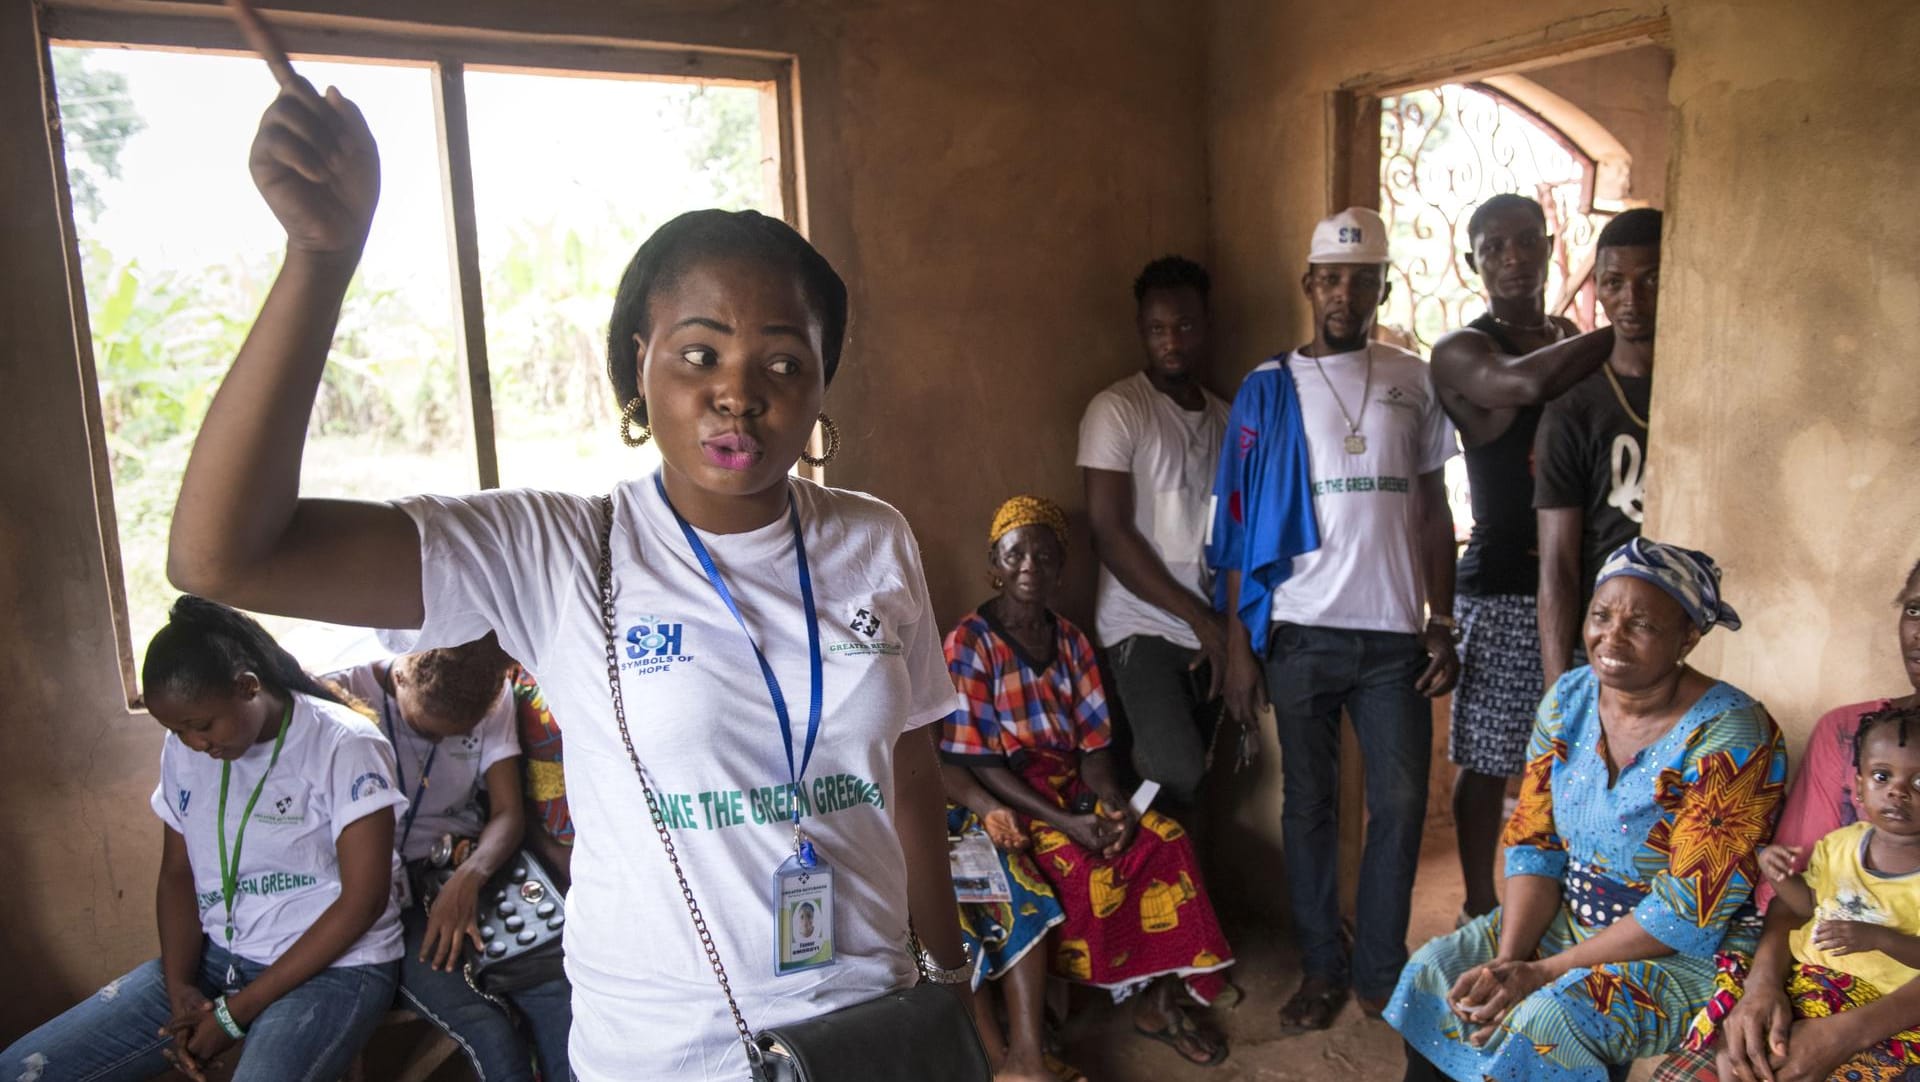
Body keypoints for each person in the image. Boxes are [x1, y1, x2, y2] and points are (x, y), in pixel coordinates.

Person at [164, 79, 970, 1081]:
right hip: (674, 1048)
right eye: (700, 352)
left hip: (872, 1022)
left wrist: (947, 976)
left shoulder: (876, 539)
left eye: (783, 362)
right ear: (641, 364)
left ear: (819, 383)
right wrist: (319, 262)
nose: (738, 392)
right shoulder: (559, 549)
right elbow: (224, 553)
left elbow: (912, 770)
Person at [1387, 539, 1788, 1082]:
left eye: (1641, 623)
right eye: (1601, 615)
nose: (1611, 636)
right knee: (1437, 972)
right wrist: (1511, 961)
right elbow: (1535, 843)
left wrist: (1541, 974)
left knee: (1547, 1019)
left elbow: (1688, 909)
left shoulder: (1733, 734)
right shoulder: (1569, 697)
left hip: (1680, 954)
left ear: (1688, 637)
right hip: (1567, 919)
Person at [1210, 206, 1461, 1028]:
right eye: (1332, 276)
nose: (1345, 291)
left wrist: (1441, 621)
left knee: (1396, 804)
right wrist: (1240, 645)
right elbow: (1238, 522)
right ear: (1310, 284)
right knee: (1308, 808)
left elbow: (1432, 508)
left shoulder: (1413, 377)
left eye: (1363, 277)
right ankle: (1323, 966)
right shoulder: (1266, 387)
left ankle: (1380, 972)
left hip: (1394, 636)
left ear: (1381, 285)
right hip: (1300, 629)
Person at [0, 596, 404, 1082]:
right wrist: (180, 988)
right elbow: (177, 874)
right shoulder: (185, 751)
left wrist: (234, 1015)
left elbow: (364, 901)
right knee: (20, 1070)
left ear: (247, 686)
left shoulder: (344, 744)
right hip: (223, 961)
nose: (195, 744)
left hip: (335, 969)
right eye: (177, 730)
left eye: (202, 726)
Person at [943, 496, 1235, 1068]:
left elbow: (1095, 751)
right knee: (1067, 863)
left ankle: (1160, 1001)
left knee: (1165, 842)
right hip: (1007, 794)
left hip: (1069, 787)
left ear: (1060, 569)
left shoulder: (1073, 642)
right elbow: (979, 762)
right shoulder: (970, 643)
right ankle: (1040, 1023)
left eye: (1044, 556)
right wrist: (1067, 823)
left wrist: (1108, 801)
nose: (1030, 565)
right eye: (1015, 553)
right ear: (994, 564)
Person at [1649, 558, 1920, 1082]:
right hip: (1814, 982)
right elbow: (1795, 903)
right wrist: (1762, 991)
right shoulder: (1849, 734)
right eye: (1915, 608)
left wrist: (1842, 1035)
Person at [1428, 193, 1617, 921]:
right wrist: (1626, 329)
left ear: (1547, 247)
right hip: (1503, 584)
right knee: (1490, 759)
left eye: (1525, 242)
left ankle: (1565, 901)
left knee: (1577, 757)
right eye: (1493, 247)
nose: (1512, 258)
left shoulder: (1570, 334)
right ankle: (1479, 904)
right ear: (1474, 261)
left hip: (1580, 580)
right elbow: (1528, 384)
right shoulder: (1463, 349)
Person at [327, 640, 572, 1082]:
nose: (439, 741)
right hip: (382, 891)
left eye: (459, 733)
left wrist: (468, 877)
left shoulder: (491, 695)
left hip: (467, 864)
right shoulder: (342, 693)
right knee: (486, 1028)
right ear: (400, 675)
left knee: (555, 987)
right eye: (425, 727)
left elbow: (507, 813)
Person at [1679, 702, 1920, 1082]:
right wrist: (1778, 877)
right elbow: (1807, 904)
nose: (1898, 793)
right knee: (1754, 1047)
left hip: (1878, 1001)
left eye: (1919, 783)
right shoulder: (1839, 845)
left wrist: (1879, 938)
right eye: (1881, 777)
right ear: (1857, 787)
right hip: (1809, 981)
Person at [1079, 255, 1233, 811]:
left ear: (1206, 326)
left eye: (1185, 326)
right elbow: (1110, 534)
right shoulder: (1118, 410)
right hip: (1140, 628)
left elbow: (1232, 536)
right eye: (1157, 329)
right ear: (1141, 332)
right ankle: (1136, 870)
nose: (1172, 341)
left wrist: (1228, 630)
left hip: (1208, 628)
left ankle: (1175, 892)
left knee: (1200, 784)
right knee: (1175, 766)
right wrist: (1202, 621)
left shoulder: (1225, 418)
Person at [1535, 207, 1665, 687]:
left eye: (1652, 280)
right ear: (1599, 290)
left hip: (1691, 632)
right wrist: (1557, 688)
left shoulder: (1707, 397)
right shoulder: (1574, 410)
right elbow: (1558, 564)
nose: (1631, 298)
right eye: (1614, 282)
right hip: (1612, 642)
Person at [940, 754, 1074, 1082]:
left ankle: (1027, 1060)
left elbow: (931, 758)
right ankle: (995, 1062)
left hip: (940, 811)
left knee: (1015, 879)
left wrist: (986, 807)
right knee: (945, 917)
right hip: (877, 829)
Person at [510, 666, 575, 891]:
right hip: (547, 850)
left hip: (617, 846)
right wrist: (552, 851)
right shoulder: (517, 674)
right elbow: (509, 787)